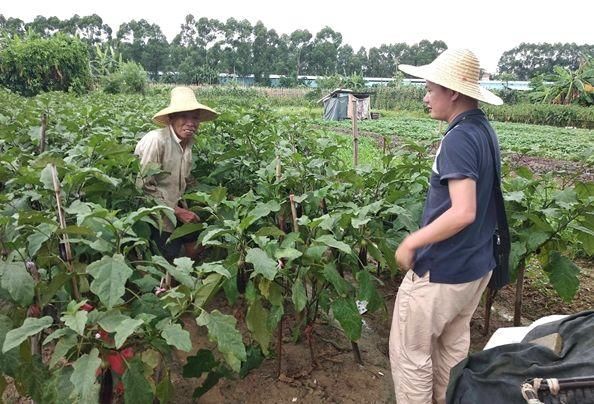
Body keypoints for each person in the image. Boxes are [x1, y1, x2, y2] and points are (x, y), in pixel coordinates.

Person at [389, 49, 504, 404]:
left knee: (411, 355)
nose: (426, 97)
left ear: (452, 92)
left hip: (443, 270)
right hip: (475, 267)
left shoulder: (457, 139)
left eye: (429, 89)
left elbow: (463, 211)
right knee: (452, 349)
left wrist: (413, 241)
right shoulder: (483, 129)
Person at [135, 86, 218, 262]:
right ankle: (168, 283)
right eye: (184, 116)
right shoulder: (156, 141)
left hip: (179, 207)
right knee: (166, 262)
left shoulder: (187, 143)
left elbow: (185, 179)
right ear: (171, 118)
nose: (191, 122)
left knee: (196, 244)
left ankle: (186, 277)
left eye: (195, 117)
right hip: (158, 216)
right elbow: (143, 187)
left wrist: (211, 197)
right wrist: (177, 211)